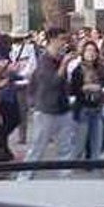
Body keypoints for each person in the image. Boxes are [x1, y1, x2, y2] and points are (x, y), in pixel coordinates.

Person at [20, 28, 78, 179]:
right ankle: (24, 178)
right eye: (61, 39)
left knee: (65, 147)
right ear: (52, 40)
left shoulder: (59, 58)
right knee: (37, 147)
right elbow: (52, 82)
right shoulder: (44, 61)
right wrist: (64, 65)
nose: (64, 43)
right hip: (46, 110)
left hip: (63, 108)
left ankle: (65, 178)